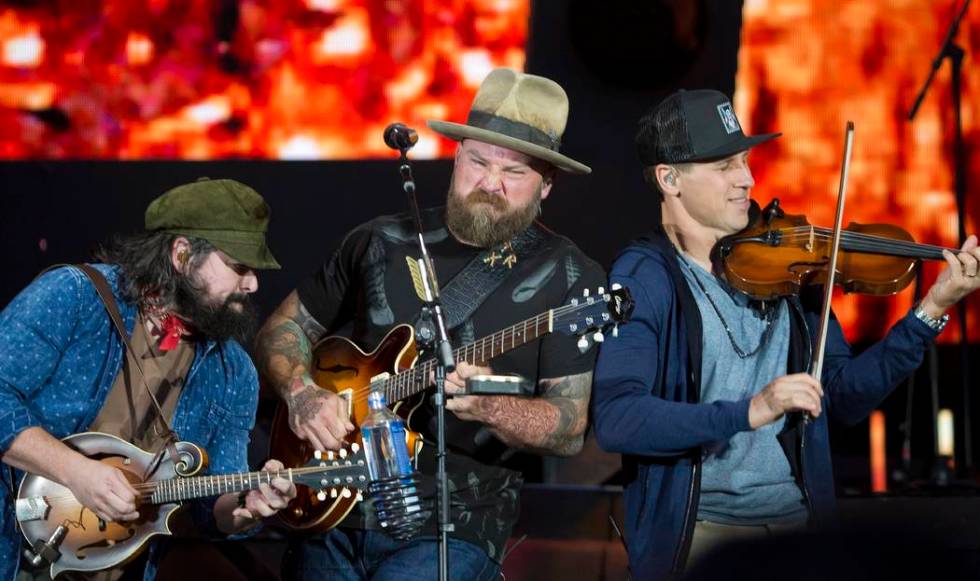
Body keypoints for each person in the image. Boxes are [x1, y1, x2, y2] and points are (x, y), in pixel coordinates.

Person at [591, 89, 980, 580]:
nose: (747, 180)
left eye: (746, 162)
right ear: (670, 179)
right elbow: (618, 419)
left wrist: (930, 310)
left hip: (800, 530)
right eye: (724, 166)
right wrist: (750, 411)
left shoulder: (790, 265)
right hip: (701, 539)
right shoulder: (645, 277)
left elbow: (843, 399)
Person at [255, 68, 605, 580]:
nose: (489, 184)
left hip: (452, 525)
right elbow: (280, 330)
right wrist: (302, 392)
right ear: (457, 155)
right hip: (332, 506)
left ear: (546, 185)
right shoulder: (380, 241)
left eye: (514, 173)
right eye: (478, 162)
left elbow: (569, 427)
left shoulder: (569, 275)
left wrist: (490, 407)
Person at [0, 178, 298, 581]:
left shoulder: (234, 372)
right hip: (14, 550)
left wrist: (246, 507)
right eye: (239, 267)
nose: (252, 284)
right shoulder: (74, 296)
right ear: (182, 255)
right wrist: (76, 472)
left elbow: (212, 509)